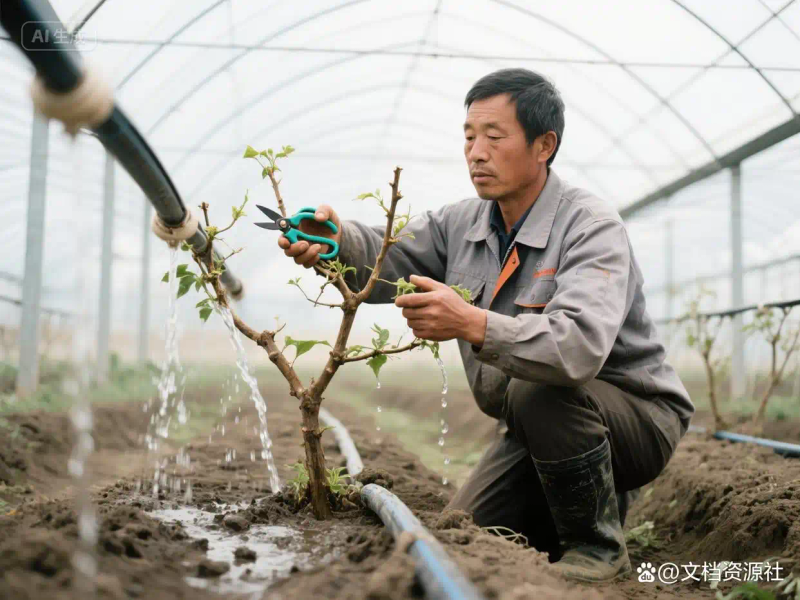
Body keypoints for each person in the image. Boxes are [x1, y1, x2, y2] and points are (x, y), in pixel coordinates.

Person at [277, 68, 694, 583]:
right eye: (470, 138)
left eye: (494, 138)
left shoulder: (590, 225)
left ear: (544, 145)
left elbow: (578, 349)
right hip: (534, 424)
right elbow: (390, 258)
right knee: (467, 538)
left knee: (536, 390)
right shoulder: (462, 223)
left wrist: (472, 323)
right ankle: (579, 490)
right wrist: (336, 240)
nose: (476, 152)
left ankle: (597, 545)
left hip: (635, 418)